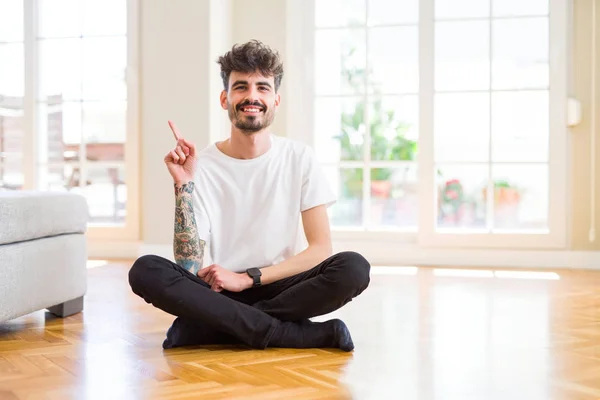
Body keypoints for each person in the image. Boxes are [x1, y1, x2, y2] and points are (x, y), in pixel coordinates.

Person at [128, 40, 370, 352]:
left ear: (276, 99)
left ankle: (213, 327)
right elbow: (188, 265)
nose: (252, 96)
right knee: (146, 269)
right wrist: (183, 186)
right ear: (225, 98)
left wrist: (249, 278)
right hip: (218, 291)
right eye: (241, 87)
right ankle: (295, 335)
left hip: (282, 286)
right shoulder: (201, 165)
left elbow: (321, 248)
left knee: (353, 267)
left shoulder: (299, 157)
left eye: (262, 87)